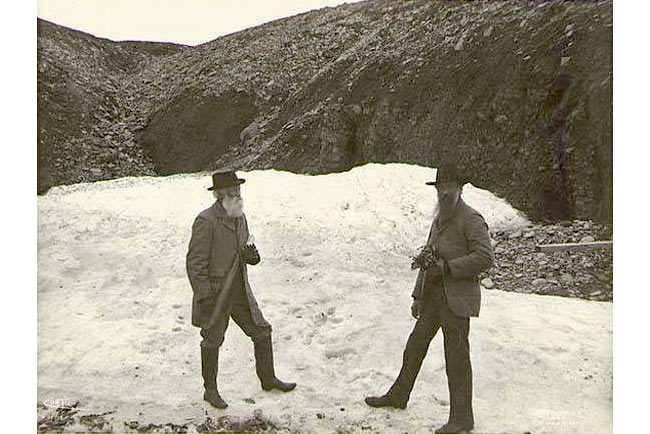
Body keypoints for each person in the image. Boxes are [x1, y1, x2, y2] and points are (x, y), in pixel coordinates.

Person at [364, 163, 494, 433]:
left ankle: (462, 419)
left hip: (456, 301)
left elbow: (485, 257)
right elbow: (427, 259)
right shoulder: (439, 219)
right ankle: (399, 395)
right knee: (414, 347)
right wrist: (416, 296)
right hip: (433, 299)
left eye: (449, 187)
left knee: (456, 358)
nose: (444, 192)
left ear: (460, 189)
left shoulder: (471, 218)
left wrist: (450, 267)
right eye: (440, 187)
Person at [186, 171, 296, 409]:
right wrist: (204, 296)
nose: (238, 196)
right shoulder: (206, 221)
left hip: (238, 288)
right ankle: (210, 390)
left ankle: (268, 379)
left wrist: (252, 256)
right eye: (233, 193)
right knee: (212, 339)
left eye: (238, 192)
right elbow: (195, 263)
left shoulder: (239, 217)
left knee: (261, 331)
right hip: (216, 292)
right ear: (220, 196)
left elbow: (244, 248)